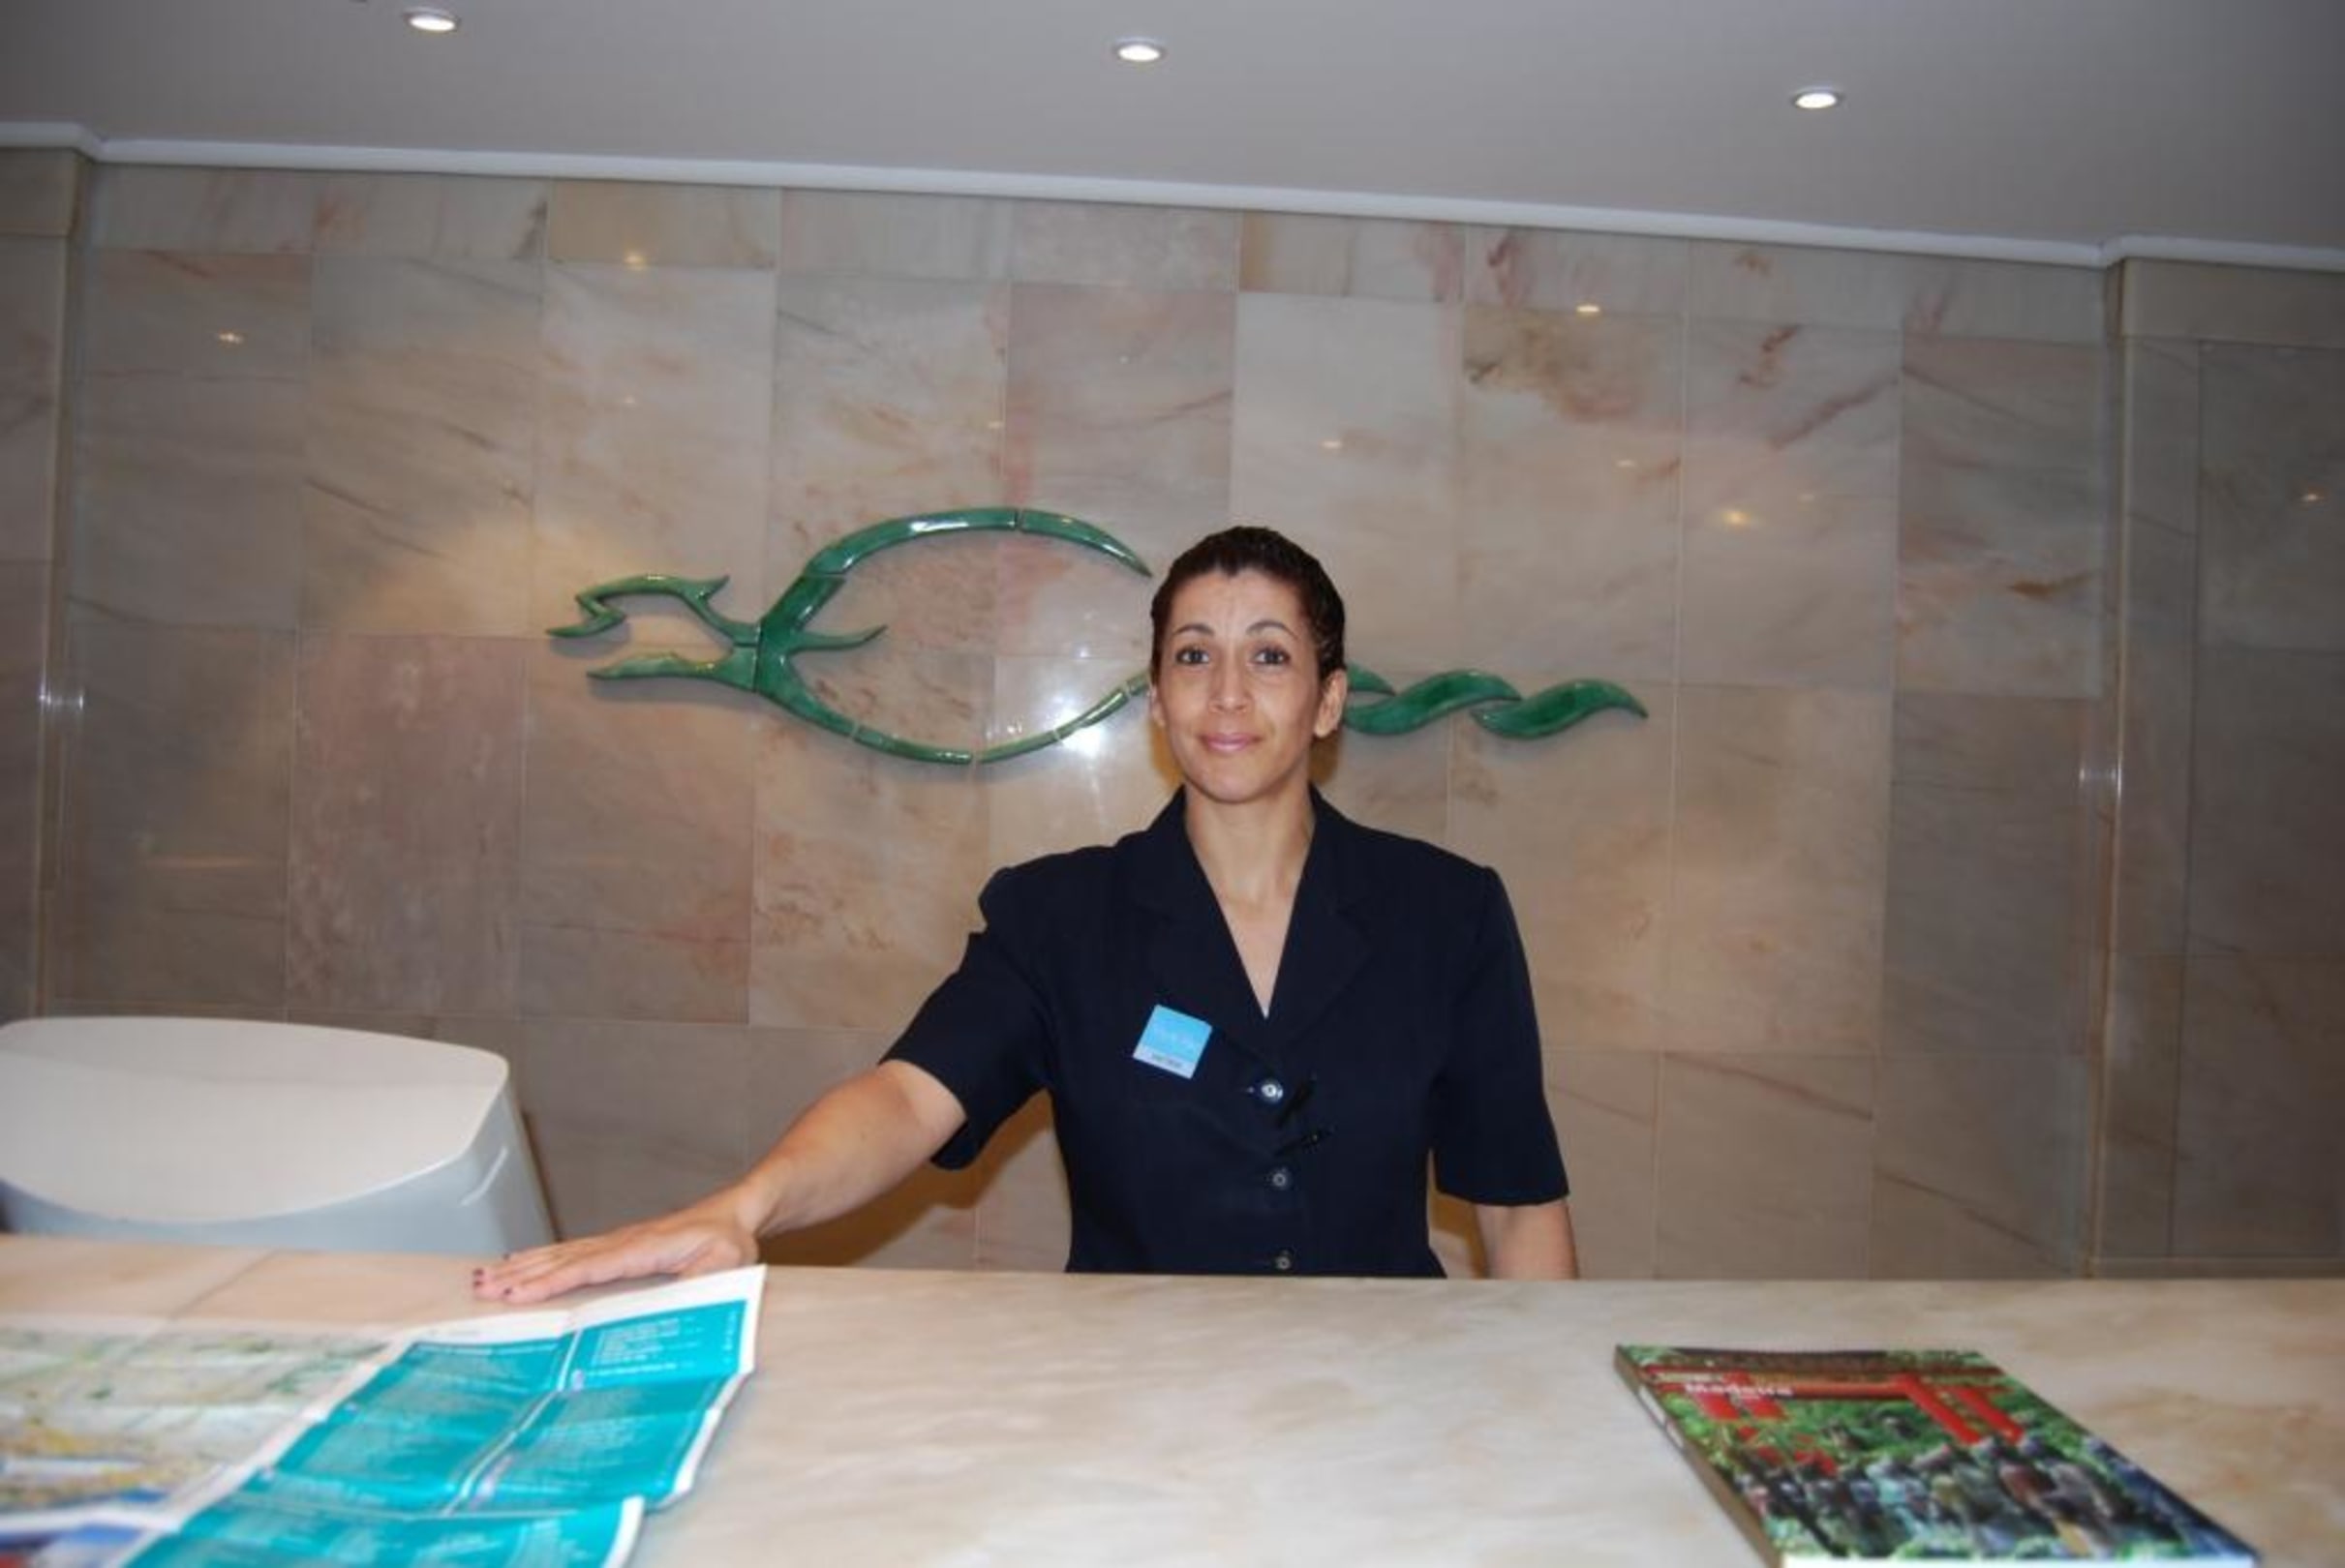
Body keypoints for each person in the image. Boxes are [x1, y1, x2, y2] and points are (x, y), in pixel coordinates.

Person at [475, 526, 1575, 1303]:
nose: (1228, 694)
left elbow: (1519, 1210)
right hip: (1129, 1407)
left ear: (1328, 700)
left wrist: (1552, 1422)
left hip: (1379, 1409)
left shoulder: (1448, 914)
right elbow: (908, 1095)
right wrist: (745, 1206)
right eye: (1194, 655)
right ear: (1157, 698)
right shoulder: (1060, 917)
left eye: (1270, 657)